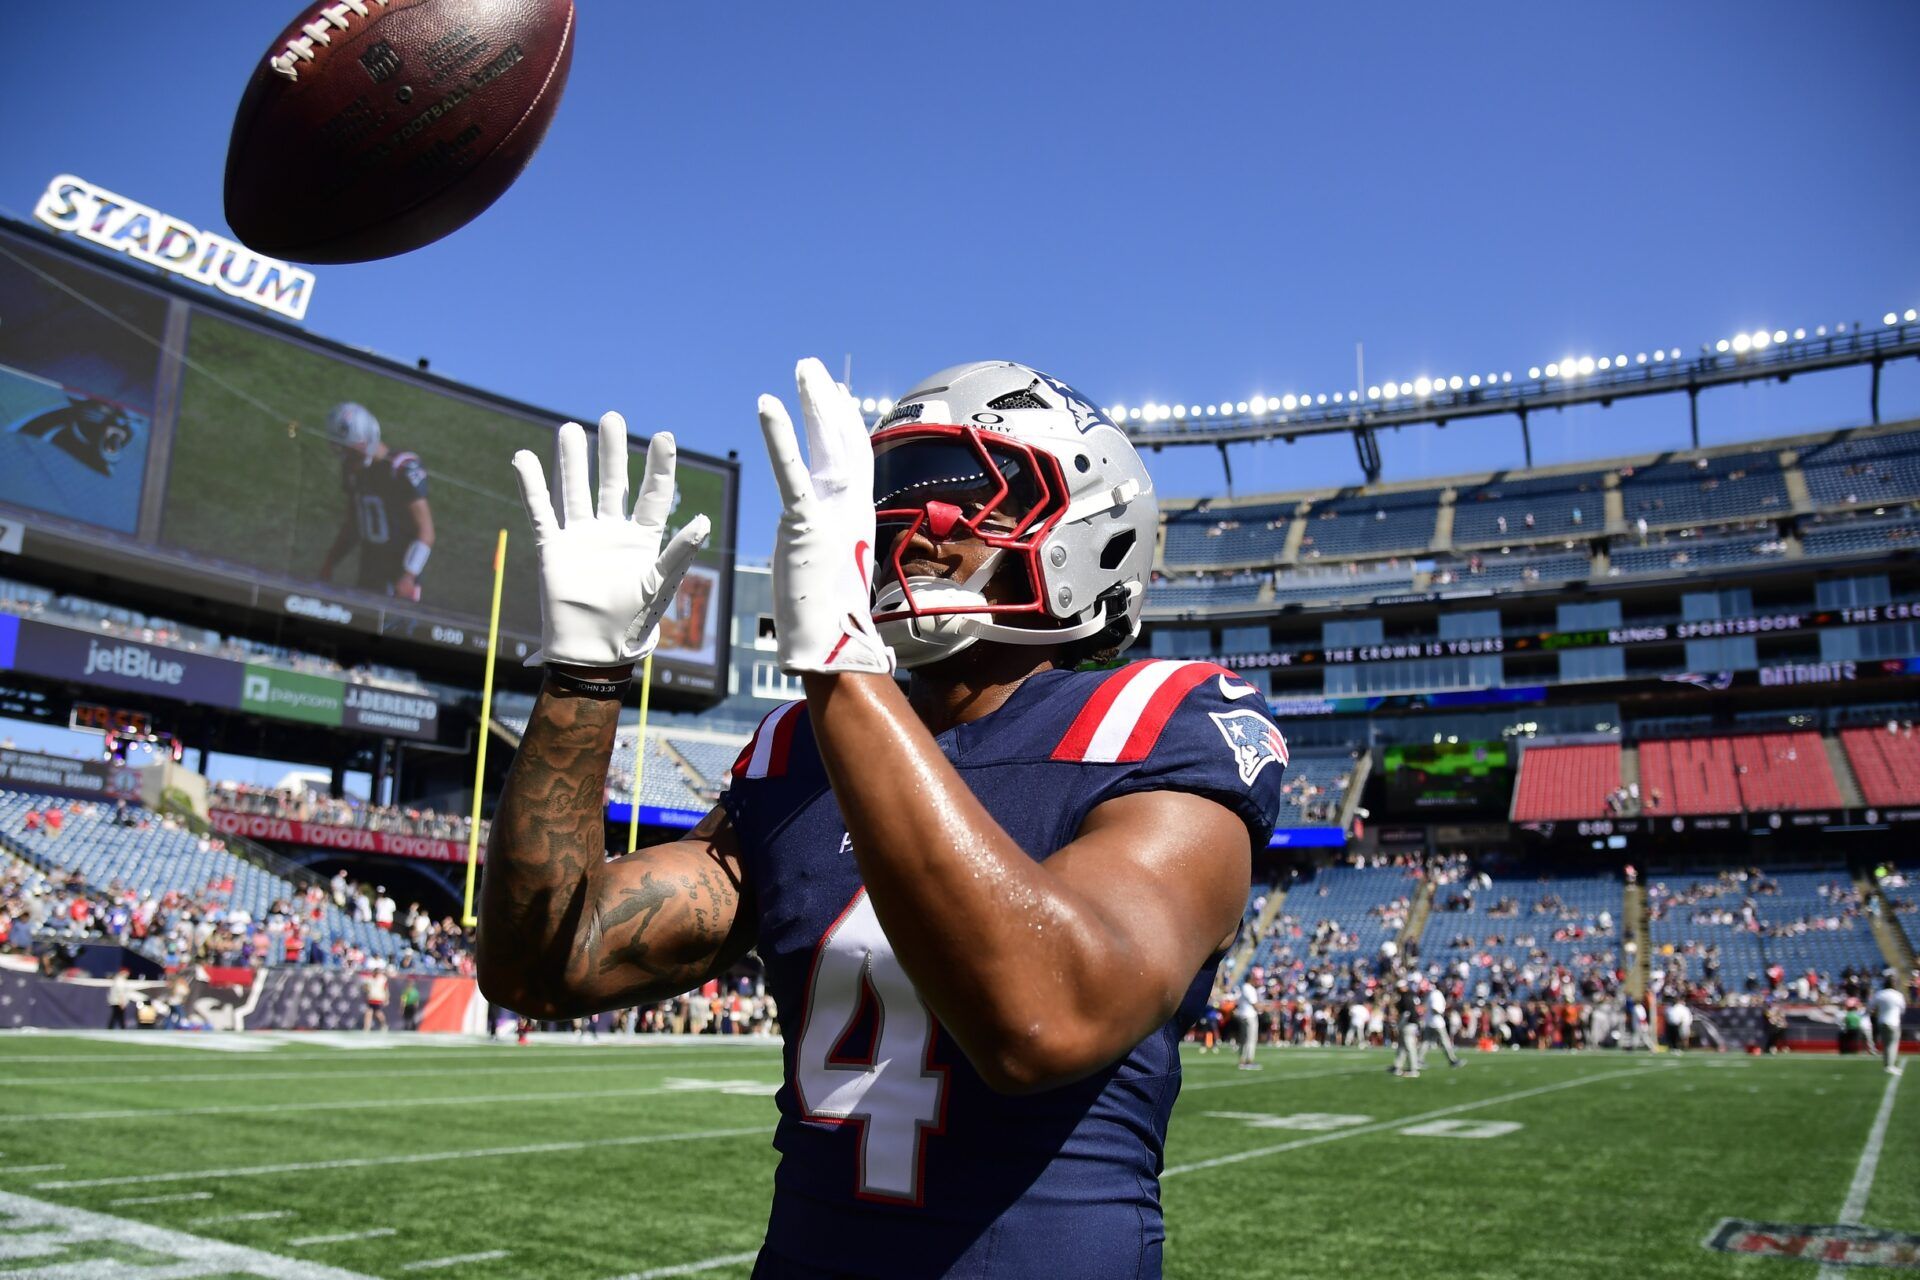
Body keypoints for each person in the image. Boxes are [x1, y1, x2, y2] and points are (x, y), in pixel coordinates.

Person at [478, 361, 1286, 1279]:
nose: (917, 526)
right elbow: (548, 965)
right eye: (892, 497)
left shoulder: (1161, 718)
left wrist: (839, 669)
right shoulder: (799, 746)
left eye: (972, 493)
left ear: (1092, 523)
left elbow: (1044, 1020)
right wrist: (585, 675)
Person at [318, 402, 435, 602]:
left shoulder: (401, 469)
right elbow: (352, 525)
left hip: (399, 580)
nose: (348, 458)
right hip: (369, 574)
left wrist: (408, 576)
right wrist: (331, 561)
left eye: (352, 451)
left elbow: (426, 532)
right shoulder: (354, 472)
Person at [1870, 971, 1907, 1075]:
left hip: (1881, 1021)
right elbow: (1902, 1009)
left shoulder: (1880, 994)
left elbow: (1870, 1007)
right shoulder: (1898, 995)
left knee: (1886, 1045)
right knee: (1893, 1045)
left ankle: (1887, 1065)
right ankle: (1890, 1066)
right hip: (1894, 1022)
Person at [1422, 983, 1462, 1068]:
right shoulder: (1436, 994)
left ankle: (1418, 1059)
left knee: (1426, 1042)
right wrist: (1443, 1013)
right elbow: (1434, 1008)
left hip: (1430, 1021)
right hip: (1437, 1023)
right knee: (1445, 1041)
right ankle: (1452, 1060)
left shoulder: (1432, 994)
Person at [1391, 980, 1423, 1077]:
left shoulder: (1405, 997)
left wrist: (1399, 1026)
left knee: (1409, 1046)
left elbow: (1406, 1013)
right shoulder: (1412, 995)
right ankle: (1398, 1066)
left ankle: (1413, 1069)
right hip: (1411, 1023)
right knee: (1402, 1046)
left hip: (1408, 1024)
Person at [1236, 976, 1263, 1070]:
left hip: (1243, 1015)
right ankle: (1249, 1061)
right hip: (1249, 1016)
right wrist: (1266, 1008)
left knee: (1243, 1039)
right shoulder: (1249, 988)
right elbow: (1255, 1004)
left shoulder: (1244, 987)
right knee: (1250, 1039)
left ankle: (1242, 1060)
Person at [363, 960, 390, 1032]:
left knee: (377, 1012)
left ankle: (384, 1025)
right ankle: (367, 1027)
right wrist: (366, 988)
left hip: (378, 997)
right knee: (369, 1012)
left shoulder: (382, 979)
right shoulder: (370, 979)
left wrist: (386, 998)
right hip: (371, 997)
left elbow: (386, 989)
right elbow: (365, 987)